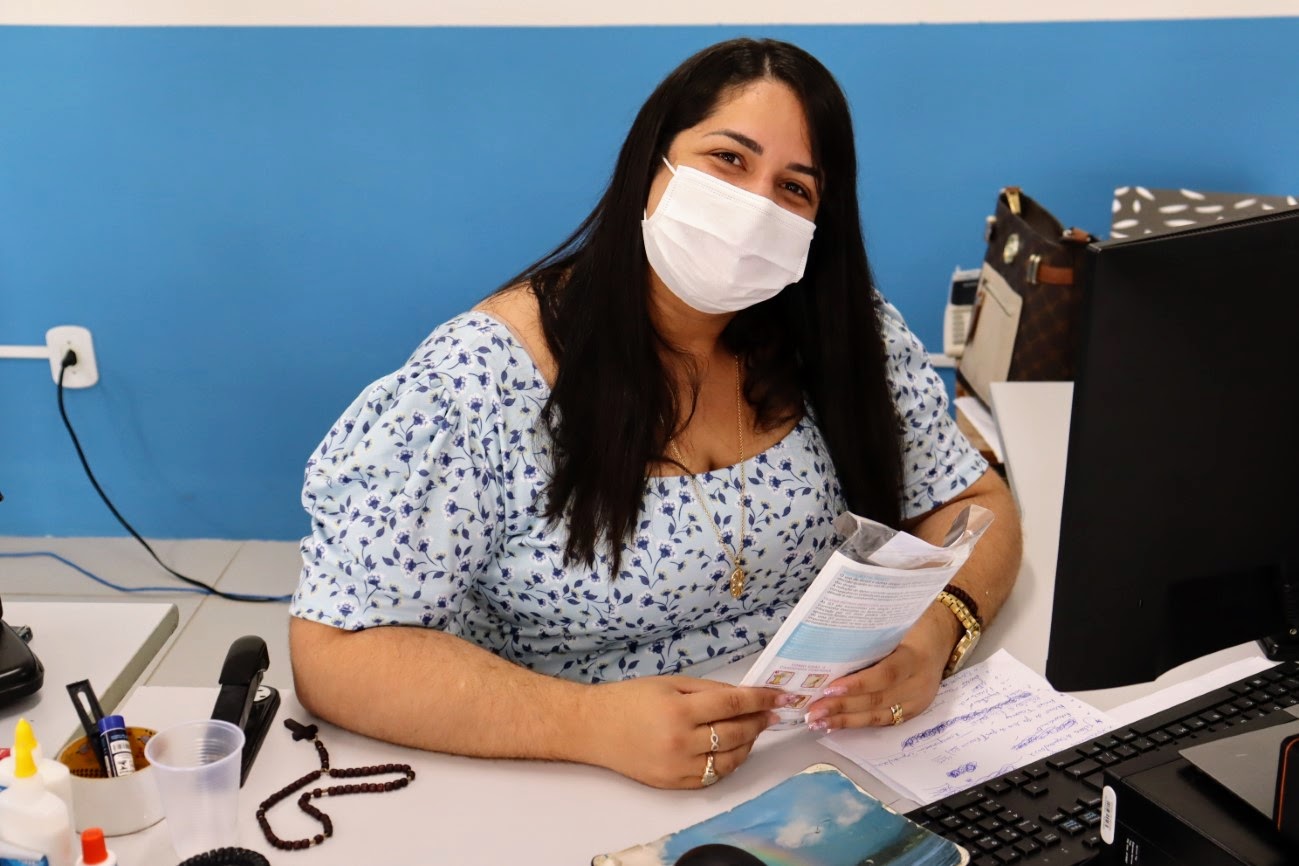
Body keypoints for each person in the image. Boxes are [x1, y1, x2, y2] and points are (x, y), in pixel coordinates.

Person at [288, 37, 1022, 791]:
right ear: (651, 165)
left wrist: (939, 632)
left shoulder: (841, 334)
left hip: (829, 756)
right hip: (575, 774)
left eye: (794, 188)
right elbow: (336, 651)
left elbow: (972, 502)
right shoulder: (480, 384)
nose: (754, 208)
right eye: (728, 160)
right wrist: (584, 725)